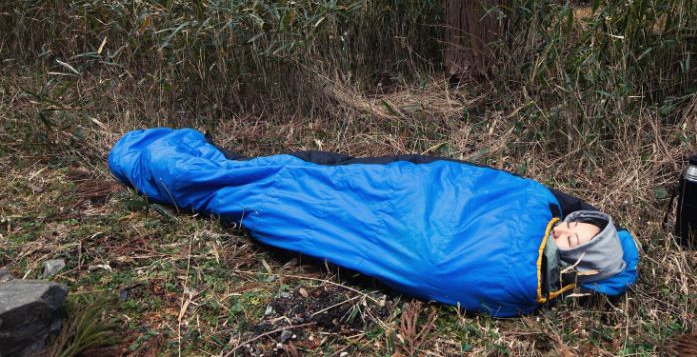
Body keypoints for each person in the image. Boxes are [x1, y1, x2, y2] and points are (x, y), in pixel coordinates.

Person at [109, 128, 639, 316]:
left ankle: (158, 162)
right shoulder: (526, 278)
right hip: (406, 196)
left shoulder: (518, 273)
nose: (567, 227)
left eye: (574, 238)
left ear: (574, 266)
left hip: (392, 208)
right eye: (579, 224)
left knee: (275, 182)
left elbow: (452, 235)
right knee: (291, 180)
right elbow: (469, 184)